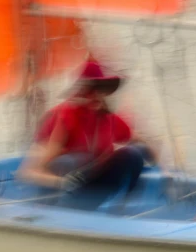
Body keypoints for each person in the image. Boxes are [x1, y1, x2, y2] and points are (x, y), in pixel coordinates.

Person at [17, 58, 159, 207]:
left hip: (90, 188)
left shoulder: (109, 119)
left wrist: (160, 166)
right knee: (73, 159)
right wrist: (63, 183)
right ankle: (59, 213)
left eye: (100, 89)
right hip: (61, 192)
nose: (96, 95)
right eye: (91, 90)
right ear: (82, 92)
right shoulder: (66, 117)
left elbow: (139, 140)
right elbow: (28, 172)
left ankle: (121, 207)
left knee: (133, 154)